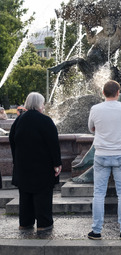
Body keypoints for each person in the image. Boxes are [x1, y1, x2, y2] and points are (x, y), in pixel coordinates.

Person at [87, 80, 121, 240]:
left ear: (103, 93)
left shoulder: (95, 109)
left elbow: (91, 128)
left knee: (99, 194)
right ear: (118, 92)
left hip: (101, 154)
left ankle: (96, 230)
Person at [9, 92, 62, 232]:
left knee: (25, 195)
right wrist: (57, 163)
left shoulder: (18, 121)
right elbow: (53, 144)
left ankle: (25, 223)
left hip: (23, 165)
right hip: (42, 166)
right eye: (43, 103)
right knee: (42, 195)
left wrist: (17, 160)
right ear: (39, 104)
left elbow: (12, 141)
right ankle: (44, 224)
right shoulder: (45, 120)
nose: (44, 106)